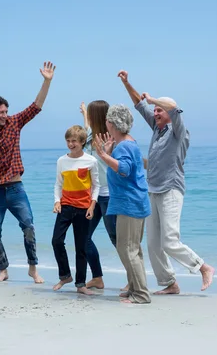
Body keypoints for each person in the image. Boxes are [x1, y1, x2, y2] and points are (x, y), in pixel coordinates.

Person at [117, 70, 215, 294]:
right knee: (153, 244)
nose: (155, 112)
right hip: (152, 190)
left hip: (171, 189)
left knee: (170, 241)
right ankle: (170, 283)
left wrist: (153, 99)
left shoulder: (179, 131)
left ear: (170, 113)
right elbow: (138, 104)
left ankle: (203, 267)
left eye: (159, 110)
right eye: (155, 110)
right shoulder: (157, 129)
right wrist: (127, 83)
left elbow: (171, 106)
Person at [0, 61, 56, 284]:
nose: (5, 115)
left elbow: (36, 106)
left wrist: (46, 81)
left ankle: (33, 268)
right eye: (1, 112)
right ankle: (3, 270)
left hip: (16, 187)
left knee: (28, 226)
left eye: (6, 111)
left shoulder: (14, 123)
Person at [93, 104, 151, 304]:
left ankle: (141, 295)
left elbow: (124, 169)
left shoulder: (125, 146)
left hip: (130, 203)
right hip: (134, 202)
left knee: (128, 249)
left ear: (110, 123)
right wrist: (109, 152)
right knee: (132, 248)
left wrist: (103, 156)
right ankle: (135, 288)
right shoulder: (127, 143)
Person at [51, 125, 100, 295]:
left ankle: (81, 284)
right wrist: (57, 202)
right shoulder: (61, 161)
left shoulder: (91, 161)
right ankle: (65, 275)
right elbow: (58, 184)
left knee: (81, 247)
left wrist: (92, 206)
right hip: (65, 207)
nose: (71, 144)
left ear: (82, 142)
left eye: (74, 141)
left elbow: (96, 186)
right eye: (68, 141)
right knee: (56, 240)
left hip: (83, 208)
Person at [79, 100, 118, 290]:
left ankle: (134, 277)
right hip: (93, 196)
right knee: (84, 237)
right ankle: (97, 278)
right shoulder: (89, 136)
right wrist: (84, 113)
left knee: (116, 238)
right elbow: (87, 126)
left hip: (110, 195)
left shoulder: (112, 139)